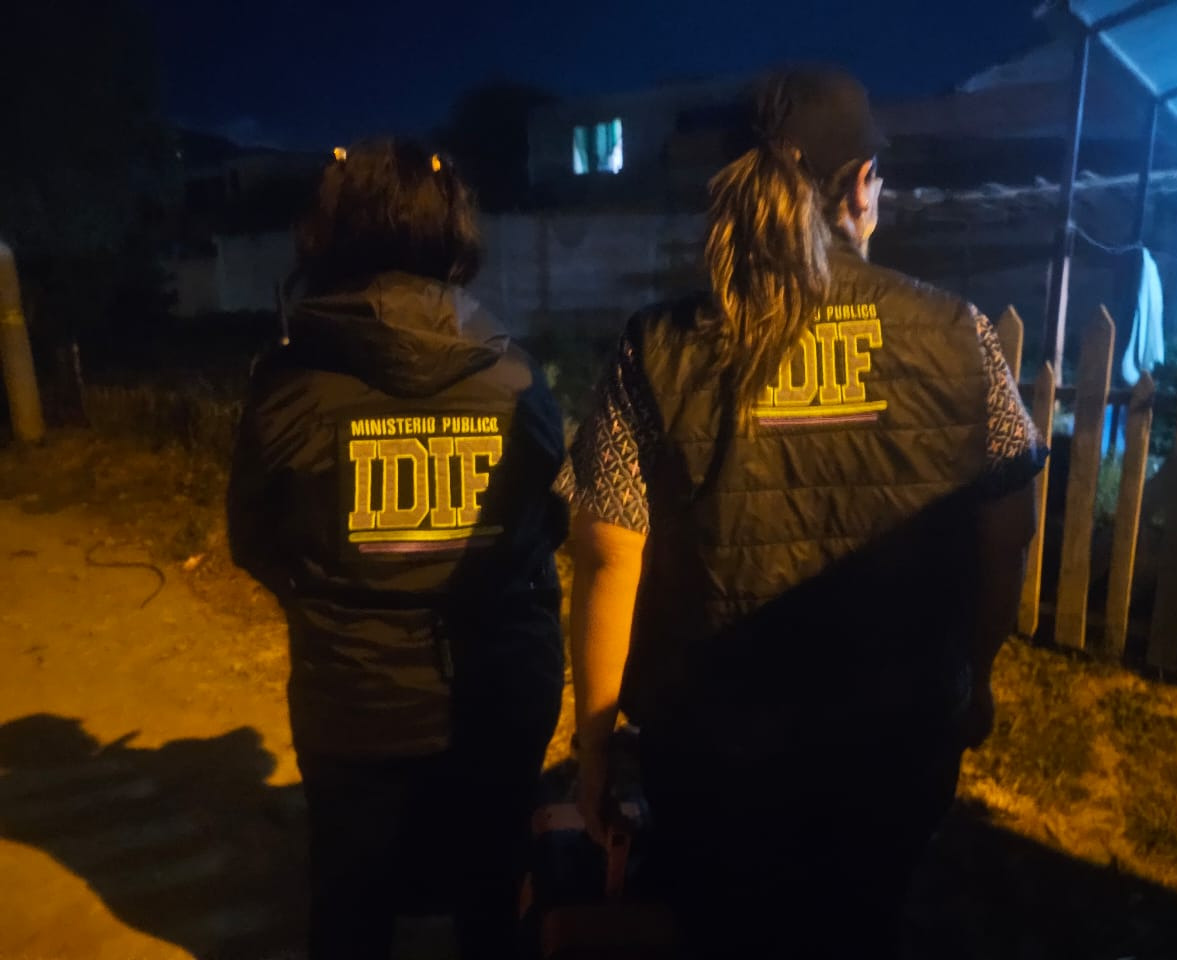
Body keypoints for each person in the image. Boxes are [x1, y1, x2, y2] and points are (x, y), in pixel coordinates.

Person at [566, 68, 1046, 958]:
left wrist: (595, 746)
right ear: (860, 184)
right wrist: (972, 677)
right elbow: (1009, 530)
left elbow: (606, 556)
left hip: (712, 757)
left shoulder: (655, 348)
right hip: (896, 746)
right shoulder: (960, 333)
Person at [227, 139, 567, 960]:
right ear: (454, 233)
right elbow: (548, 526)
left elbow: (257, 540)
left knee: (351, 904)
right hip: (500, 693)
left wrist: (340, 598)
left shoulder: (287, 382)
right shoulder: (517, 377)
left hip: (353, 702)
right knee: (495, 898)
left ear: (329, 233)